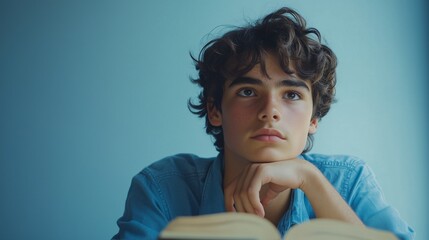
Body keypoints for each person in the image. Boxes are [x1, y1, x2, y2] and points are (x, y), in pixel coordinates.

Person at [112, 7, 414, 240]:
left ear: (314, 119)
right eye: (247, 92)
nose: (270, 111)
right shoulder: (162, 188)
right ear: (215, 110)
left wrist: (311, 180)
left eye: (292, 94)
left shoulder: (349, 182)